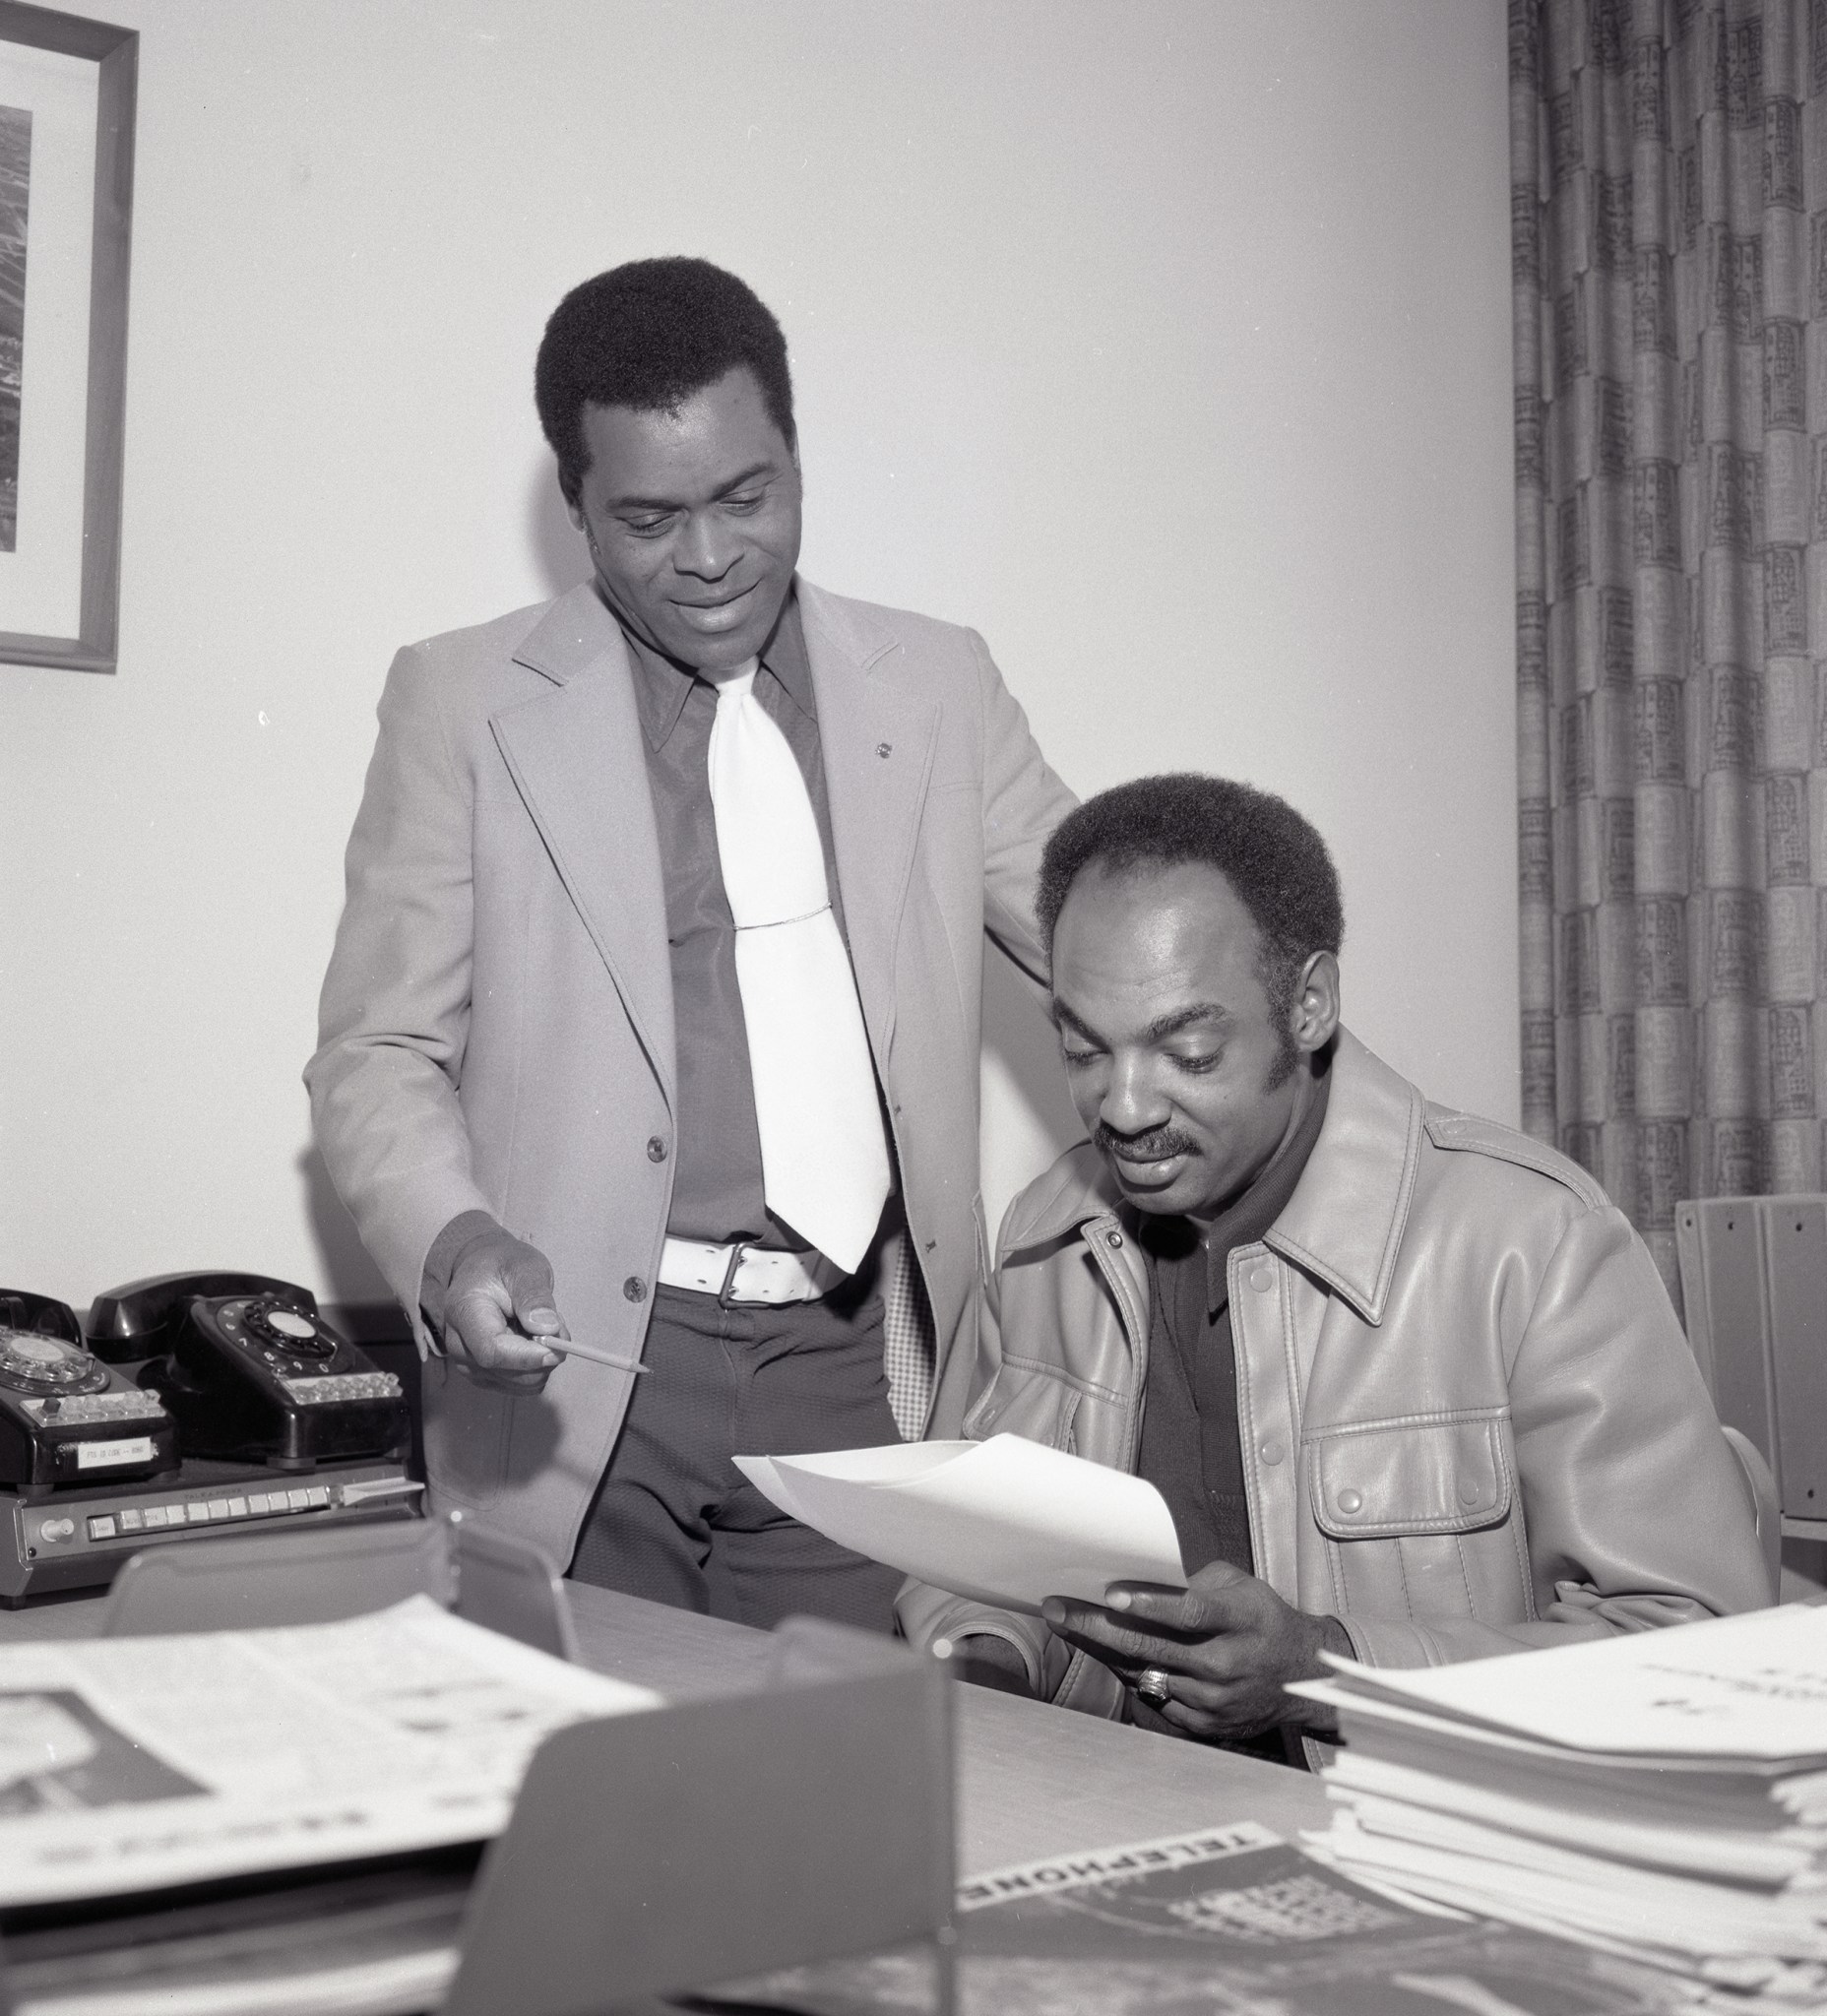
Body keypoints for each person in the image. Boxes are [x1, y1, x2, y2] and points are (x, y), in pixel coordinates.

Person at [308, 258, 1073, 1631]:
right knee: (605, 1811)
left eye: (747, 496)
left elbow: (1108, 940)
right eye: (651, 518)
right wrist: (454, 1237)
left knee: (833, 1797)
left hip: (854, 1369)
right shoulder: (463, 703)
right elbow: (378, 1050)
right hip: (583, 1374)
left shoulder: (942, 684)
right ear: (577, 511)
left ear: (795, 459)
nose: (711, 558)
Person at [899, 774, 1770, 1751]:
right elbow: (981, 1560)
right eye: (1083, 1049)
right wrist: (985, 1652)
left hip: (1433, 1846)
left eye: (1185, 1050)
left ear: (1308, 1003)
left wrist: (1328, 1671)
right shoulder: (1042, 1242)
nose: (1123, 1106)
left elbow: (1694, 1655)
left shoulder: (1531, 1244)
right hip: (1118, 1819)